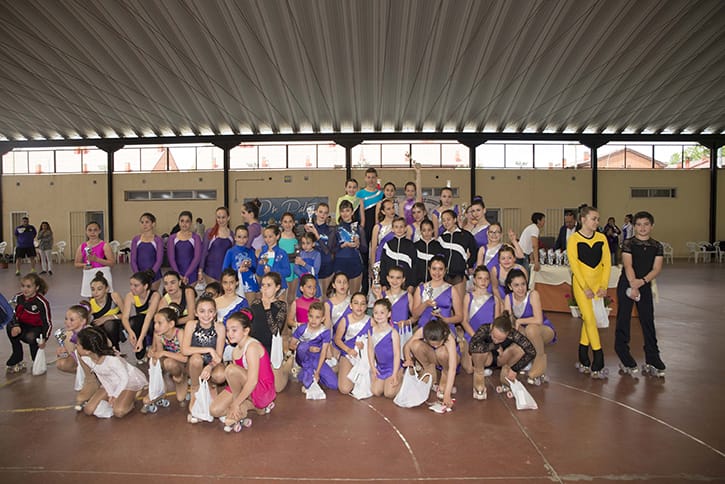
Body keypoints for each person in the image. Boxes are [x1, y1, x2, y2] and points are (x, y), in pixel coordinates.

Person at [615, 211, 666, 377]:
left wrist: (642, 282)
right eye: (638, 224)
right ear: (634, 226)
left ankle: (653, 356)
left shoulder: (657, 246)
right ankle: (623, 352)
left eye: (646, 224)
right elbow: (628, 265)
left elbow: (656, 269)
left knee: (647, 320)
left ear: (652, 226)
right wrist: (633, 284)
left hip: (644, 284)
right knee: (624, 319)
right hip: (627, 283)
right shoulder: (628, 243)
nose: (642, 228)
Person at [209, 310, 276, 432]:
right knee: (214, 410)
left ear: (246, 331)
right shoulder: (235, 351)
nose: (229, 334)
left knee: (230, 370)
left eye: (234, 330)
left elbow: (252, 381)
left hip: (261, 389)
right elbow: (236, 383)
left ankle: (244, 407)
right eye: (227, 330)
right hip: (246, 386)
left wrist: (235, 403)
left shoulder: (252, 347)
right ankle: (250, 408)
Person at [568, 206, 611, 378]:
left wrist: (603, 286)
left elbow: (607, 264)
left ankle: (583, 354)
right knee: (590, 318)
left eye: (598, 219)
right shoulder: (574, 239)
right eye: (593, 219)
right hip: (581, 286)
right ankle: (598, 356)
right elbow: (574, 266)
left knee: (589, 320)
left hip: (597, 285)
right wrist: (585, 287)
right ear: (583, 220)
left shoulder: (602, 238)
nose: (596, 222)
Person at [76, 327, 147, 418]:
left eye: (78, 344)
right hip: (111, 382)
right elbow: (101, 376)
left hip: (127, 381)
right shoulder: (86, 358)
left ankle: (133, 395)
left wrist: (115, 395)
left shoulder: (112, 360)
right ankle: (121, 398)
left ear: (87, 351)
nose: (76, 346)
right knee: (89, 409)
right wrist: (110, 394)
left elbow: (124, 378)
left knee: (118, 411)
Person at [503, 269, 556, 385]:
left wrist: (520, 321)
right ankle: (522, 362)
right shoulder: (508, 298)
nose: (521, 288)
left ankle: (540, 359)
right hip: (525, 330)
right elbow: (509, 321)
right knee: (518, 339)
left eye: (523, 284)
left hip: (544, 329)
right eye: (516, 285)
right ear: (510, 286)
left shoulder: (533, 294)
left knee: (531, 329)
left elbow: (538, 320)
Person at [468, 312, 537, 400]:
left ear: (508, 333)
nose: (496, 340)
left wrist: (515, 369)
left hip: (503, 359)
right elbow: (472, 347)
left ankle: (506, 376)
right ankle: (479, 380)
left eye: (500, 339)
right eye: (493, 336)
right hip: (487, 358)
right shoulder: (485, 328)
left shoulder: (513, 334)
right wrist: (494, 346)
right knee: (478, 351)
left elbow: (531, 351)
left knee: (520, 349)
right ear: (492, 327)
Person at [182, 296, 226, 422]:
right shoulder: (191, 325)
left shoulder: (219, 327)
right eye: (202, 311)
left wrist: (210, 367)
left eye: (210, 311)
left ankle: (211, 385)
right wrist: (209, 350)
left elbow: (218, 357)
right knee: (196, 359)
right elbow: (185, 350)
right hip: (195, 365)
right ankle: (195, 387)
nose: (206, 315)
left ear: (215, 312)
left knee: (220, 375)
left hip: (212, 364)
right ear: (195, 313)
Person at [248, 272, 293, 392]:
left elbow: (275, 331)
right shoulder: (255, 303)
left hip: (271, 347)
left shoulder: (281, 305)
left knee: (277, 388)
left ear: (277, 287)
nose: (265, 288)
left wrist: (267, 309)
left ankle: (287, 365)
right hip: (256, 346)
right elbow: (250, 327)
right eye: (263, 285)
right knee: (255, 382)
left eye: (269, 285)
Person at [403, 318, 458, 408]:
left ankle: (444, 374)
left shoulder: (449, 338)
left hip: (447, 358)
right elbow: (407, 346)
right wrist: (408, 359)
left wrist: (447, 395)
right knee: (415, 344)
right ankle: (429, 369)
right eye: (432, 344)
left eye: (437, 344)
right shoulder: (423, 331)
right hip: (432, 355)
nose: (435, 346)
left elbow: (452, 368)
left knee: (441, 352)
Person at [141, 308, 189, 411]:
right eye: (155, 323)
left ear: (171, 324)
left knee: (169, 363)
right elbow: (159, 354)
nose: (155, 326)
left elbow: (185, 358)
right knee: (158, 361)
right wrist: (153, 354)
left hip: (183, 364)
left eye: (159, 323)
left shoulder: (180, 333)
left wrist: (164, 353)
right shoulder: (158, 335)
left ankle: (180, 377)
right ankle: (160, 387)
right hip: (170, 362)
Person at [56, 304, 100, 410]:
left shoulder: (89, 332)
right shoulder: (67, 335)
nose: (67, 322)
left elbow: (102, 350)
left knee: (83, 354)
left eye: (72, 320)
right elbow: (71, 353)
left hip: (96, 362)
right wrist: (63, 352)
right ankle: (87, 377)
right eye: (66, 319)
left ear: (83, 321)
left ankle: (93, 379)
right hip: (81, 362)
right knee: (61, 363)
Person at [5, 273, 51, 373]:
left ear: (36, 287)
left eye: (29, 286)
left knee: (31, 337)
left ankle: (36, 358)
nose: (25, 289)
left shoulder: (42, 302)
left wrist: (44, 338)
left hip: (35, 329)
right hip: (21, 326)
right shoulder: (17, 297)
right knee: (9, 326)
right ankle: (17, 355)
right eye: (23, 286)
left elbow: (47, 322)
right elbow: (10, 313)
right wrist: (15, 325)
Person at [290, 301, 338, 391]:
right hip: (303, 356)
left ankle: (309, 373)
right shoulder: (302, 328)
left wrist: (318, 372)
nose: (313, 320)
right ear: (308, 316)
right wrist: (308, 348)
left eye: (317, 317)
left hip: (317, 358)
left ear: (323, 319)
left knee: (334, 384)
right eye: (311, 316)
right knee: (303, 346)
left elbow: (323, 352)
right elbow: (291, 345)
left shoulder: (325, 332)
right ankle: (307, 371)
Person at [460, 266, 500, 374]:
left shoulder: (494, 299)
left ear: (489, 280)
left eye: (486, 279)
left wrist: (488, 337)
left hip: (487, 336)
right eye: (480, 278)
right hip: (471, 335)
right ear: (474, 280)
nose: (483, 281)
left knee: (485, 361)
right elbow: (464, 321)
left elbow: (496, 322)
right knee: (469, 369)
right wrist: (475, 336)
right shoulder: (468, 297)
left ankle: (486, 362)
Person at [411, 256, 463, 333]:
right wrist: (425, 304)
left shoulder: (452, 289)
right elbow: (415, 315)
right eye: (434, 269)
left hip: (445, 328)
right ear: (429, 269)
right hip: (424, 329)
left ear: (445, 270)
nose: (437, 272)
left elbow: (459, 316)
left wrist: (446, 320)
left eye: (440, 269)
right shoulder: (421, 289)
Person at [334, 292, 371, 394]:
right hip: (349, 354)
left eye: (362, 304)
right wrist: (348, 350)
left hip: (365, 356)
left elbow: (375, 339)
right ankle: (341, 367)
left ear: (366, 306)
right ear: (350, 305)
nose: (359, 306)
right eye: (356, 303)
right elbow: (337, 339)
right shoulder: (345, 320)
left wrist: (366, 344)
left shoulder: (371, 321)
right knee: (345, 389)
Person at [120, 270, 161, 363]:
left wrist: (140, 339)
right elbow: (125, 317)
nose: (132, 288)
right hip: (142, 320)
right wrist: (130, 332)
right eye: (131, 285)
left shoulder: (155, 295)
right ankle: (140, 352)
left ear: (145, 286)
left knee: (152, 324)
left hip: (152, 322)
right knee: (132, 322)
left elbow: (148, 317)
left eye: (136, 285)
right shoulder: (130, 296)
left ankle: (152, 346)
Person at [438, 210, 477, 298]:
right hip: (444, 276)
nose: (446, 222)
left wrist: (469, 264)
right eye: (443, 220)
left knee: (459, 301)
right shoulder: (441, 238)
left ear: (455, 219)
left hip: (459, 274)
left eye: (448, 219)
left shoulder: (466, 235)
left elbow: (474, 251)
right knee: (446, 302)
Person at [368, 298, 402, 399]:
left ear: (389, 314)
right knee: (376, 391)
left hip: (393, 367)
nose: (378, 315)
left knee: (389, 394)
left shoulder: (393, 332)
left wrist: (395, 373)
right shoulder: (371, 331)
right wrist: (373, 367)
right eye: (376, 313)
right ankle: (385, 380)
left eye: (382, 313)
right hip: (381, 367)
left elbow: (397, 354)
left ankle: (401, 374)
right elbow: (370, 350)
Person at [332, 200, 367, 294]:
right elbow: (332, 249)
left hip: (355, 264)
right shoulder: (336, 229)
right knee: (340, 295)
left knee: (354, 295)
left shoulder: (359, 228)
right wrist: (343, 245)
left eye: (347, 210)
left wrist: (358, 244)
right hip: (340, 264)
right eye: (342, 211)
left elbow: (364, 249)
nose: (345, 214)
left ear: (352, 212)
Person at [74, 221, 115, 298]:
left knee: (105, 297)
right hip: (88, 274)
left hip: (103, 274)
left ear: (99, 231)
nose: (92, 232)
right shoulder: (82, 246)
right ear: (86, 232)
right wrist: (84, 265)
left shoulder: (105, 245)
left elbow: (112, 263)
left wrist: (97, 259)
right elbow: (76, 264)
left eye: (95, 230)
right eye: (90, 230)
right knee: (91, 298)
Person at [303, 202, 335, 298]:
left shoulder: (331, 230)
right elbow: (305, 247)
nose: (322, 215)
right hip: (313, 266)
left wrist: (316, 235)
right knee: (312, 298)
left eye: (325, 213)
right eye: (320, 212)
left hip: (327, 266)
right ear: (315, 212)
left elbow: (327, 251)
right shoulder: (309, 228)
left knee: (325, 297)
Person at [88, 271, 124, 352]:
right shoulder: (91, 304)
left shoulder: (114, 296)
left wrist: (107, 317)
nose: (95, 292)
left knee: (109, 324)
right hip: (101, 331)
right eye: (93, 289)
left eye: (99, 289)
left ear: (107, 289)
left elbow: (126, 315)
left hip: (116, 327)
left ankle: (115, 349)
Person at [379, 217, 416, 291]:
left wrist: (411, 284)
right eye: (396, 227)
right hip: (389, 284)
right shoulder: (387, 245)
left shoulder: (411, 245)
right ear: (392, 229)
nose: (399, 229)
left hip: (406, 285)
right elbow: (383, 265)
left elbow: (414, 265)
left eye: (401, 227)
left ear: (405, 228)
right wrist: (383, 284)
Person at [371, 266, 413, 333]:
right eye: (392, 277)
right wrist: (378, 296)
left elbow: (415, 317)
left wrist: (406, 322)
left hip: (402, 331)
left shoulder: (408, 296)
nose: (395, 281)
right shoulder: (382, 295)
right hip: (385, 331)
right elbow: (375, 316)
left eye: (398, 278)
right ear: (387, 278)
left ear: (403, 279)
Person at [222, 225, 259, 300]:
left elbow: (255, 269)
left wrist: (250, 265)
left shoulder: (251, 251)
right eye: (239, 237)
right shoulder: (230, 252)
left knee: (250, 306)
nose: (242, 240)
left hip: (250, 284)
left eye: (244, 237)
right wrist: (238, 271)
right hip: (236, 284)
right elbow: (224, 270)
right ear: (235, 237)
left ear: (248, 238)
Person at [167, 211, 203, 285]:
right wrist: (178, 274)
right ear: (179, 222)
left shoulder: (196, 237)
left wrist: (187, 275)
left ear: (191, 223)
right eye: (182, 221)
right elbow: (171, 258)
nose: (184, 224)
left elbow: (197, 257)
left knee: (189, 292)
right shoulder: (172, 238)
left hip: (191, 273)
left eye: (187, 221)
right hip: (177, 273)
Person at [199, 207, 234, 283]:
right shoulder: (210, 232)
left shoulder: (232, 235)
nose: (221, 220)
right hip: (211, 272)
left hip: (225, 272)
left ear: (228, 218)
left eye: (223, 217)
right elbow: (204, 252)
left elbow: (233, 255)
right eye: (218, 217)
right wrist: (200, 270)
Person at [130, 212, 164, 289]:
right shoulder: (136, 239)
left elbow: (159, 260)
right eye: (142, 222)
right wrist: (138, 274)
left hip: (154, 275)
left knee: (152, 295)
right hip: (139, 275)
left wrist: (151, 273)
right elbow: (133, 259)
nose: (144, 224)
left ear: (153, 224)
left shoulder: (158, 240)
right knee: (139, 295)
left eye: (147, 222)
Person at [255, 225, 292, 294]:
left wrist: (272, 270)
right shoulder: (263, 253)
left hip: (280, 288)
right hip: (266, 287)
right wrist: (260, 265)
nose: (267, 239)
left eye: (270, 236)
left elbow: (287, 272)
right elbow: (259, 273)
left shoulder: (282, 253)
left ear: (277, 236)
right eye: (265, 237)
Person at [413, 219, 443, 287]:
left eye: (429, 230)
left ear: (433, 230)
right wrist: (416, 281)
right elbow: (413, 267)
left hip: (434, 283)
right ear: (420, 231)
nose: (426, 233)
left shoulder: (438, 246)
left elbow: (440, 266)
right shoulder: (415, 246)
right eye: (424, 230)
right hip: (418, 283)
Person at [278, 212, 300, 305]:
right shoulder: (278, 238)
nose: (288, 224)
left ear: (294, 223)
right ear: (281, 223)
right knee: (282, 297)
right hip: (283, 269)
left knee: (291, 296)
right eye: (285, 222)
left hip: (294, 268)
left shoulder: (298, 238)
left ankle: (290, 313)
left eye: (290, 221)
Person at [293, 232, 322, 298]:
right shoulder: (300, 254)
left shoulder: (317, 254)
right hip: (302, 282)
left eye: (308, 243)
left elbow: (315, 271)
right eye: (303, 243)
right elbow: (295, 268)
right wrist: (303, 276)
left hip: (313, 283)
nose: (305, 246)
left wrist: (304, 264)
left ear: (313, 244)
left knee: (313, 302)